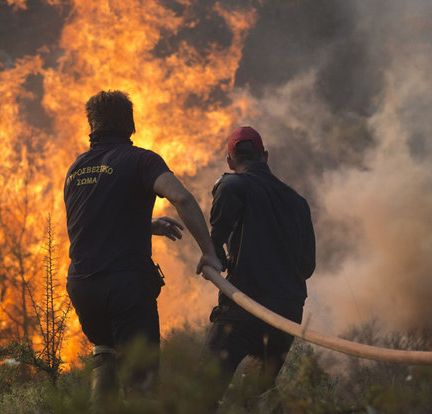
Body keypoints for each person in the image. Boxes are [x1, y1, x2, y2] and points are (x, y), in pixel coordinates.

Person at [63, 90, 221, 408]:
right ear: (131, 126)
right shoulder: (141, 160)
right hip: (125, 287)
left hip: (82, 287)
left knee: (105, 354)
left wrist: (145, 226)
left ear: (91, 128)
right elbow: (182, 199)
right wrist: (210, 252)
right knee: (142, 385)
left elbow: (92, 223)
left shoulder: (76, 169)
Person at [201, 126, 316, 409]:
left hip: (243, 309)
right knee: (253, 397)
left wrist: (216, 251)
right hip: (286, 315)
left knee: (201, 392)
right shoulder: (298, 203)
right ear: (264, 156)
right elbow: (307, 267)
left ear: (230, 161)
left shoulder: (231, 185)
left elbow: (215, 240)